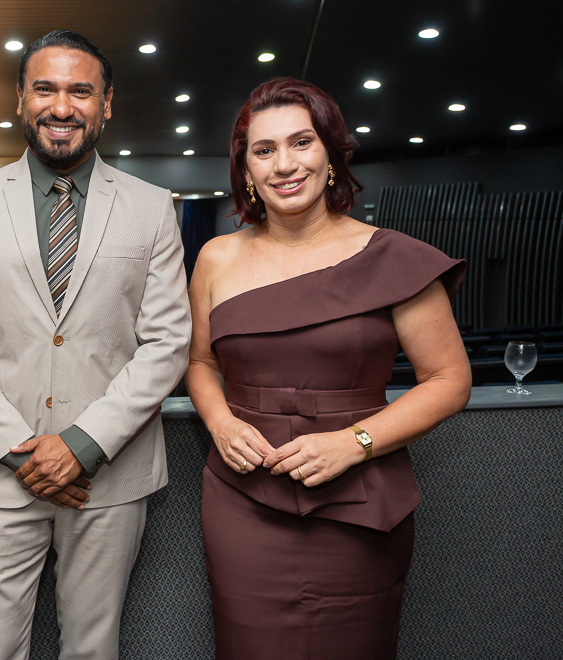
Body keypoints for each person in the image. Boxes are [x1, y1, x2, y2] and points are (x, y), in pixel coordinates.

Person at [0, 30, 191, 660]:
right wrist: (22, 454)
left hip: (109, 476)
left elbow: (166, 343)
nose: (62, 107)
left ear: (106, 104)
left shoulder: (153, 208)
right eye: (44, 89)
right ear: (20, 99)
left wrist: (81, 445)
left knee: (93, 650)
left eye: (81, 91)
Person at [186, 77, 472, 659]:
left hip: (359, 500)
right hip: (244, 500)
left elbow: (449, 381)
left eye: (302, 142)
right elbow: (200, 362)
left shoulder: (395, 257)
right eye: (264, 150)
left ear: (331, 155)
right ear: (246, 170)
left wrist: (353, 443)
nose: (284, 164)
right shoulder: (216, 257)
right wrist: (220, 423)